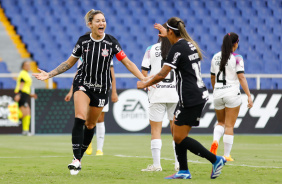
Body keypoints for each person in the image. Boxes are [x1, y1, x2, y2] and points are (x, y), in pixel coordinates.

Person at [33, 9, 145, 175]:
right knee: (80, 117)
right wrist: (49, 74)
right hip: (83, 84)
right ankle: (76, 159)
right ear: (90, 24)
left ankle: (79, 158)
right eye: (98, 21)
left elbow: (127, 63)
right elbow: (69, 63)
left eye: (103, 20)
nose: (102, 23)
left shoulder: (112, 42)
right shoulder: (83, 41)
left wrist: (144, 78)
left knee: (91, 125)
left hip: (101, 89)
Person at [137, 17, 226, 179]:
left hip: (190, 97)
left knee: (179, 136)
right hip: (196, 94)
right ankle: (183, 170)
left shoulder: (177, 48)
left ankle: (215, 159)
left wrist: (144, 84)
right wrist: (166, 33)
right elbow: (177, 47)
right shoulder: (188, 44)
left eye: (167, 32)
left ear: (171, 31)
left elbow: (162, 74)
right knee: (175, 130)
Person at [140, 25, 179, 172]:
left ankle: (157, 165)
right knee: (176, 131)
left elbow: (144, 70)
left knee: (155, 131)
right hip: (175, 93)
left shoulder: (151, 49)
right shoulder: (178, 48)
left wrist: (146, 82)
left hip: (157, 92)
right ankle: (178, 163)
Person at [209, 32, 253, 161]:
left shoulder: (215, 57)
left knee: (220, 122)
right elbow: (241, 76)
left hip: (218, 93)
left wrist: (216, 90)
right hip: (232, 94)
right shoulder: (237, 57)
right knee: (229, 126)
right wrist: (249, 95)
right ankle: (227, 155)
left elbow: (212, 77)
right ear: (235, 44)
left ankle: (215, 141)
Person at [65, 58, 118, 156]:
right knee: (85, 119)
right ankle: (88, 144)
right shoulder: (83, 52)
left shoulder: (107, 51)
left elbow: (111, 74)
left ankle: (99, 149)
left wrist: (113, 92)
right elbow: (78, 73)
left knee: (100, 119)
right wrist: (71, 91)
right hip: (86, 89)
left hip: (102, 89)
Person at [14, 61, 37, 136]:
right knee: (25, 113)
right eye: (26, 65)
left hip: (25, 94)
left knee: (27, 113)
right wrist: (19, 94)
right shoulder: (23, 74)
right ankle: (11, 115)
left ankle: (25, 131)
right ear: (23, 66)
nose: (28, 66)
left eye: (29, 65)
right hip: (22, 95)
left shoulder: (26, 74)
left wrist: (30, 95)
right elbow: (21, 85)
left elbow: (25, 87)